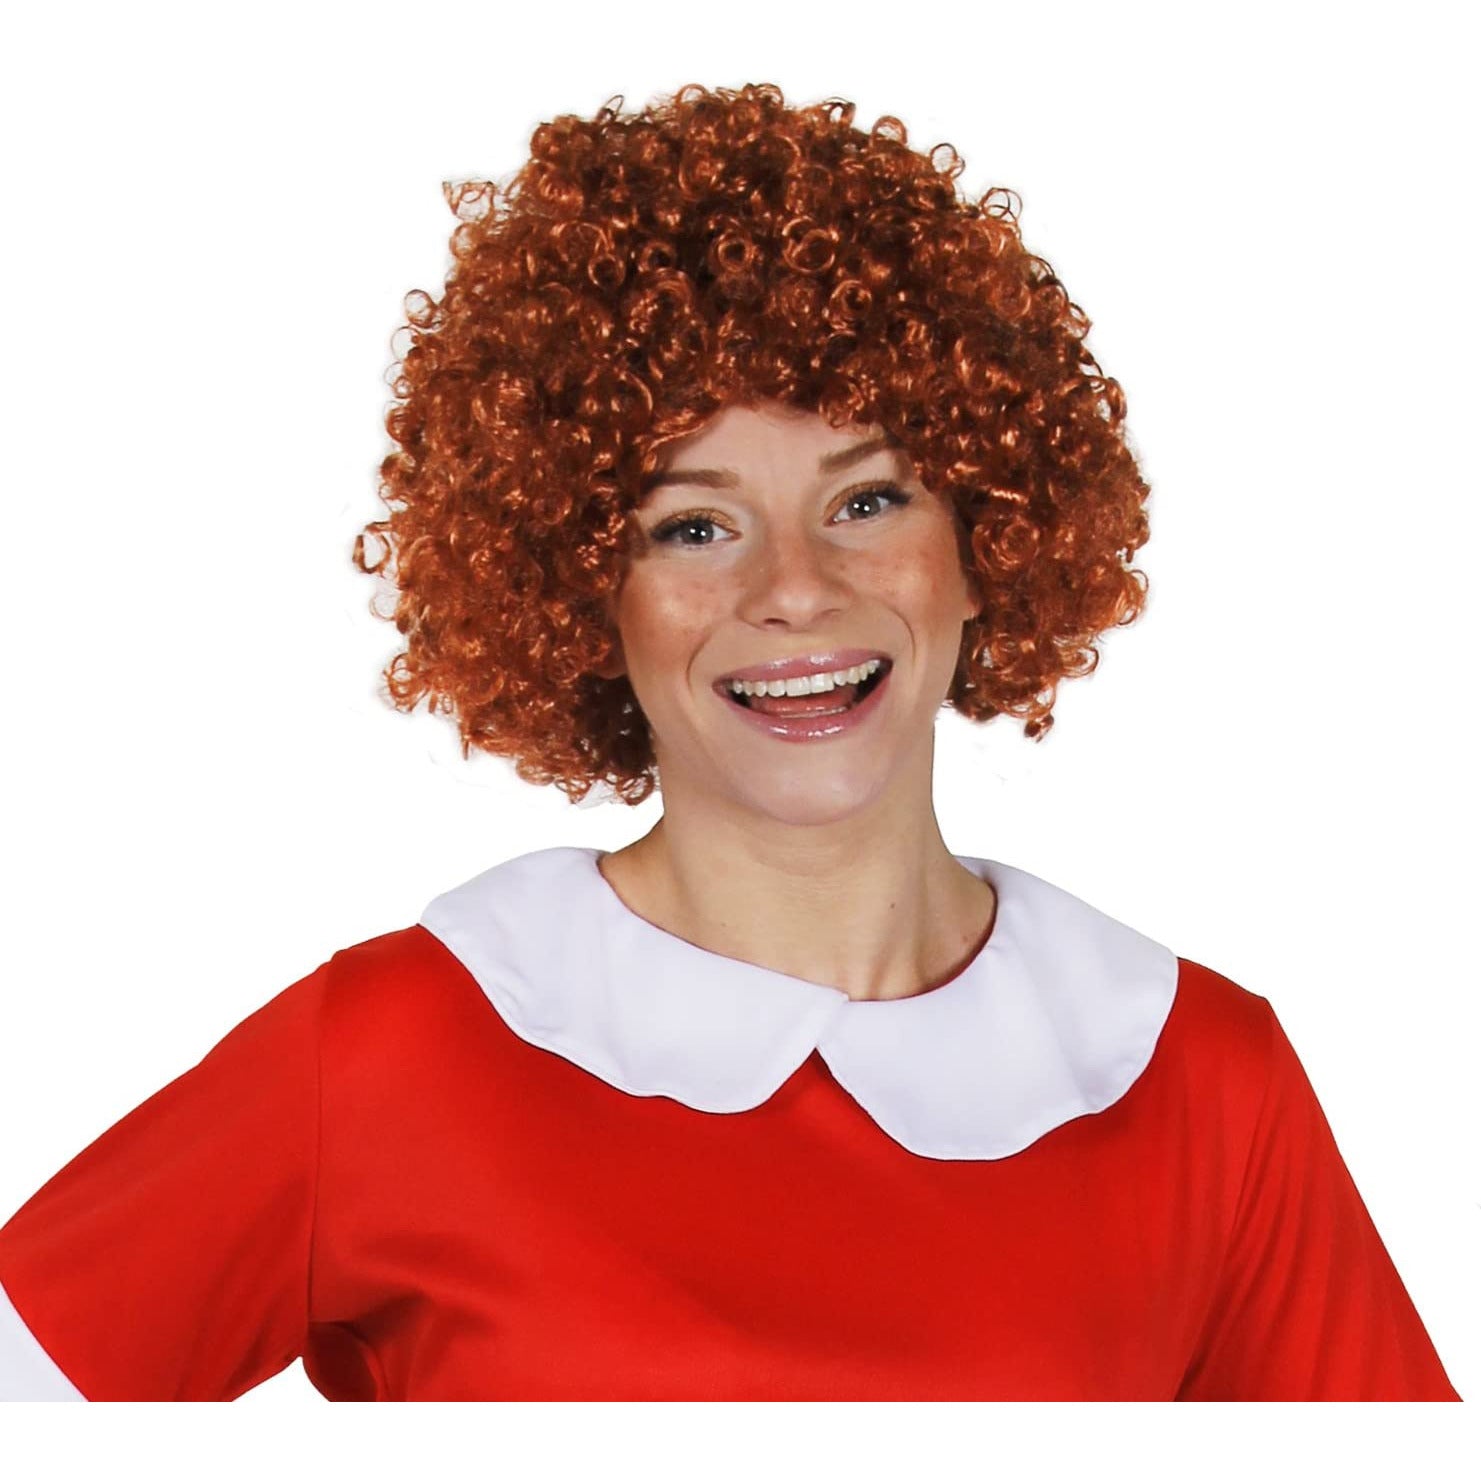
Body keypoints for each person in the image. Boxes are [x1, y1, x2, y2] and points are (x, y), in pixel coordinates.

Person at [0, 82, 1460, 1402]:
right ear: (584, 589)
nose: (794, 589)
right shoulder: (408, 1045)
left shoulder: (1190, 1076)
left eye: (867, 501)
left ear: (985, 541)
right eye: (695, 526)